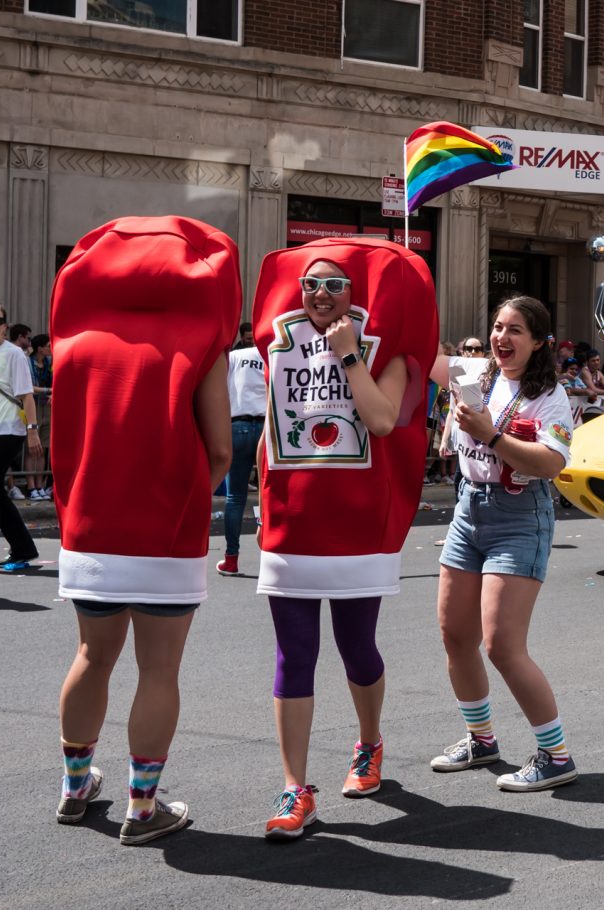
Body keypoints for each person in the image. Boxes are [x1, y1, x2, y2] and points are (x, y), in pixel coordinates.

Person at [52, 216, 237, 845]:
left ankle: (77, 786)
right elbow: (218, 451)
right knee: (159, 670)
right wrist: (185, 499)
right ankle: (142, 806)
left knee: (90, 656)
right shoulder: (200, 342)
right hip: (166, 526)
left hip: (90, 521)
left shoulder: (74, 339)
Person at [253, 240, 437, 840]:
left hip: (357, 521)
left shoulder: (389, 354)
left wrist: (351, 355)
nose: (321, 295)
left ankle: (368, 743)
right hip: (294, 519)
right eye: (311, 285)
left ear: (358, 298)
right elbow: (271, 427)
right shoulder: (282, 350)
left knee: (357, 648)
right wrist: (263, 498)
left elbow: (383, 420)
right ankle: (292, 786)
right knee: (293, 654)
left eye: (335, 286)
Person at [429, 295, 579, 792]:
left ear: (538, 343)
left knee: (502, 646)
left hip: (520, 516)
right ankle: (481, 739)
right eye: (497, 327)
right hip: (468, 509)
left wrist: (491, 436)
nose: (502, 338)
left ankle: (555, 755)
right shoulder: (473, 373)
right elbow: (415, 353)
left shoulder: (552, 398)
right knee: (455, 636)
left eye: (515, 330)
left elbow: (549, 465)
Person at [0, 303, 42, 571]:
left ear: (5, 326)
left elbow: (26, 396)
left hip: (8, 431)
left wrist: (32, 431)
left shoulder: (14, 355)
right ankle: (23, 548)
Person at [216, 322, 265, 577]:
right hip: (267, 427)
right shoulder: (271, 354)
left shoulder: (233, 357)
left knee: (235, 497)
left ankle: (231, 558)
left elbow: (220, 390)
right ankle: (271, 554)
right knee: (270, 494)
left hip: (237, 426)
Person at [25, 333, 53, 500]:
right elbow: (29, 387)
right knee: (31, 449)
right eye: (48, 346)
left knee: (42, 448)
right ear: (40, 348)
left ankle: (40, 485)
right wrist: (50, 391)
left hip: (46, 407)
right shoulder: (28, 363)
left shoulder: (50, 363)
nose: (51, 349)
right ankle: (30, 486)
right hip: (33, 406)